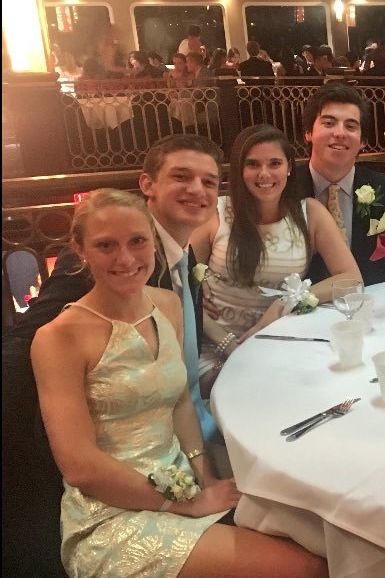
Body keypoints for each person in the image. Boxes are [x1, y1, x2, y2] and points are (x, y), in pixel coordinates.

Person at [30, 189, 337, 578]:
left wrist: (206, 480)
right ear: (79, 250)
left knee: (322, 531)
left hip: (182, 484)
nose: (126, 258)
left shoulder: (168, 305)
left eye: (137, 241)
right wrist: (181, 506)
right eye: (105, 245)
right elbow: (81, 467)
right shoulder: (59, 338)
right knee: (309, 574)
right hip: (114, 518)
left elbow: (178, 404)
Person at [5, 135, 226, 461]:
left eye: (208, 181)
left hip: (185, 421)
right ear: (147, 184)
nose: (196, 189)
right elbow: (28, 338)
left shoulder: (182, 250)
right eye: (181, 176)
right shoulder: (110, 260)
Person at [190, 124, 360, 382]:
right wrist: (230, 347)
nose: (264, 174)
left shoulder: (309, 214)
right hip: (215, 348)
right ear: (239, 169)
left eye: (275, 163)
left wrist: (287, 302)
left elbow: (351, 279)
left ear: (289, 167)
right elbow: (183, 288)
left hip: (281, 343)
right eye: (253, 164)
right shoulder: (216, 213)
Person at [295, 83, 385, 285]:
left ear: (362, 141)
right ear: (308, 133)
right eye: (329, 123)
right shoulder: (285, 192)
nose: (340, 133)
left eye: (351, 126)